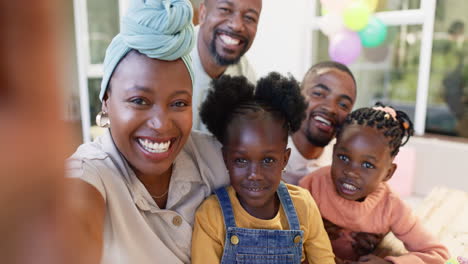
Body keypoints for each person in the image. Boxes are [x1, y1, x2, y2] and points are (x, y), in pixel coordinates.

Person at [66, 1, 229, 263]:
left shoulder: (212, 156)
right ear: (106, 100)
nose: (161, 124)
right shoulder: (90, 172)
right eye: (139, 101)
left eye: (178, 104)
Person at [191, 73, 335, 264]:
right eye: (241, 160)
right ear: (226, 159)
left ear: (284, 159)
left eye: (268, 160)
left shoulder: (303, 206)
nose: (254, 174)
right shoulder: (211, 215)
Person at [299, 103, 450, 264]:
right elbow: (285, 237)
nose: (351, 172)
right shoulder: (311, 186)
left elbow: (438, 254)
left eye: (367, 165)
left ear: (388, 172)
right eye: (343, 157)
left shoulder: (391, 206)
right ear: (334, 151)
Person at [191, 0, 261, 130]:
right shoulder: (168, 59)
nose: (236, 25)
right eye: (225, 10)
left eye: (249, 18)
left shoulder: (246, 78)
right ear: (202, 14)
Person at [283, 61, 357, 185]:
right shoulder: (266, 153)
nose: (330, 108)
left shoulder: (341, 168)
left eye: (343, 105)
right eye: (318, 94)